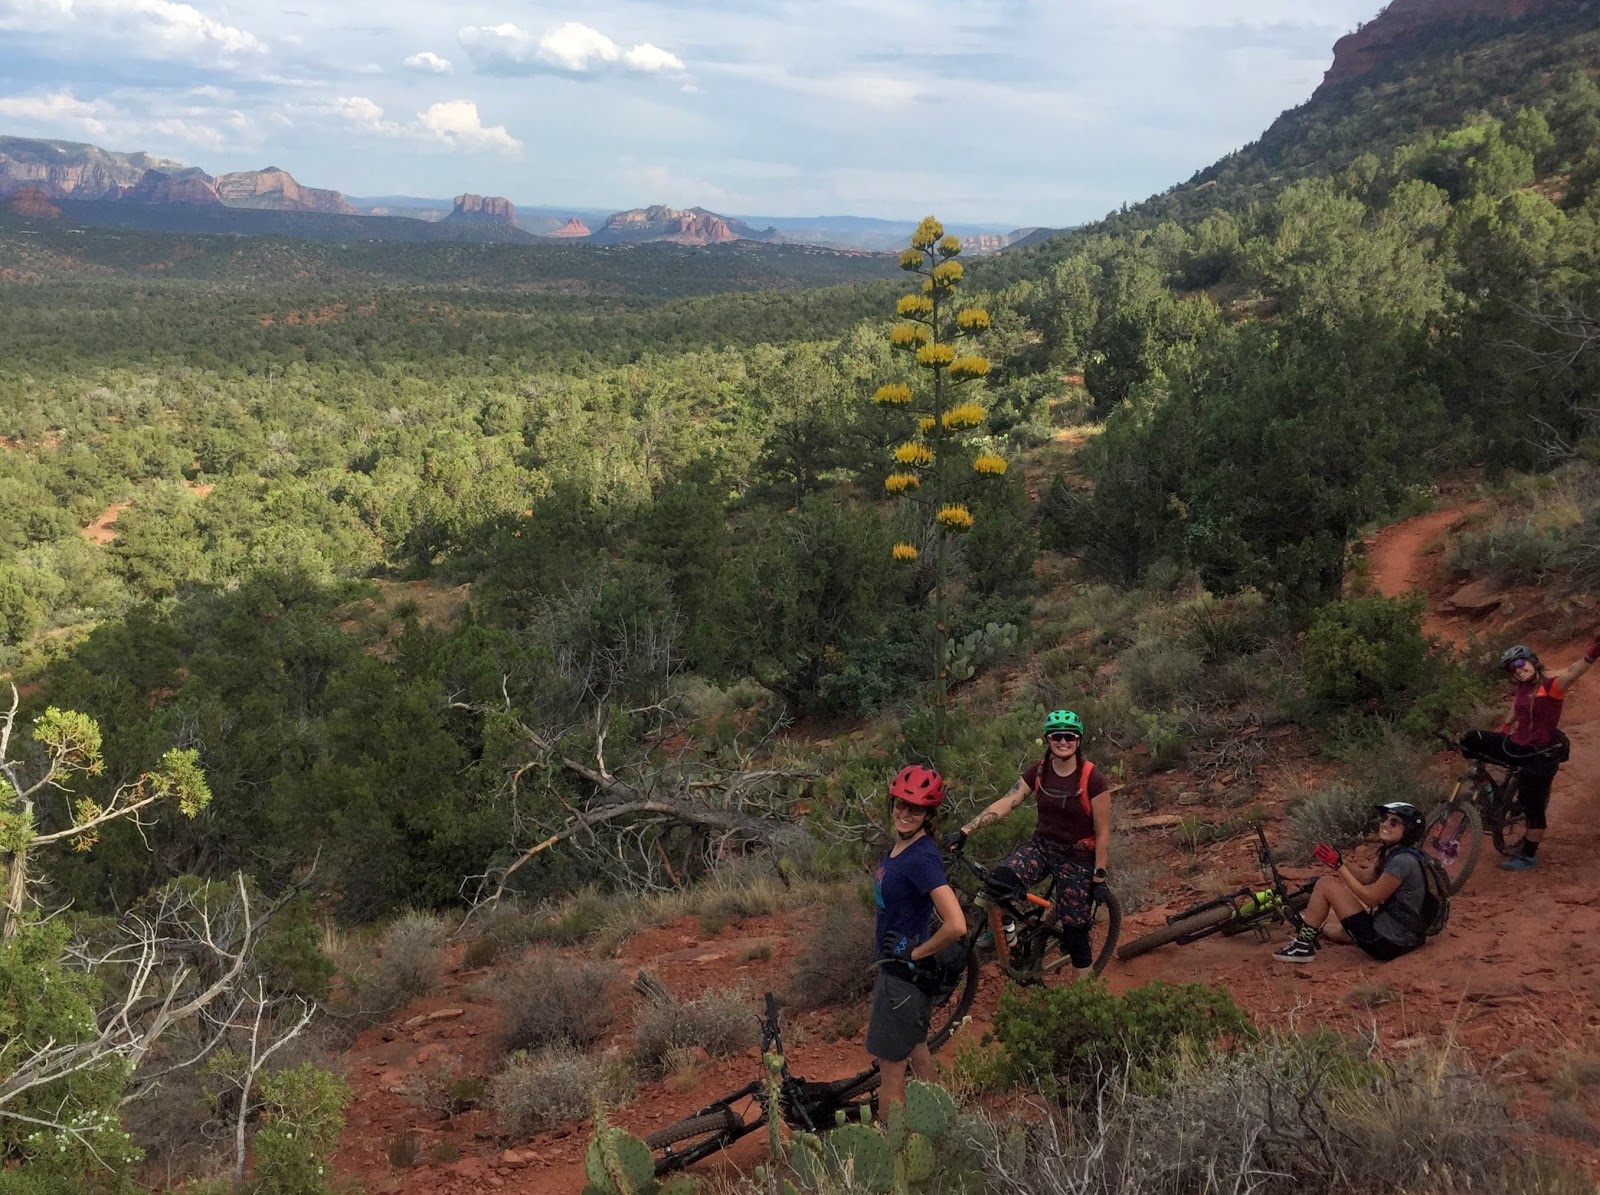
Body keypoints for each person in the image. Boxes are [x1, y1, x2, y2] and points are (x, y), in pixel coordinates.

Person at [941, 709, 1110, 976]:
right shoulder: (1041, 770)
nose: (1063, 741)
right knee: (998, 883)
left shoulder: (1093, 779)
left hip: (1077, 858)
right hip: (1042, 848)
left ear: (1078, 741)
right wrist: (965, 830)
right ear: (1048, 739)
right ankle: (1013, 937)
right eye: (1057, 736)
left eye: (1069, 736)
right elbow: (1010, 800)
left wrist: (1099, 875)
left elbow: (1102, 832)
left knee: (1076, 935)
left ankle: (1086, 997)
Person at [869, 764, 966, 1108]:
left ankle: (890, 1155)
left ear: (929, 814)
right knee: (918, 1051)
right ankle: (947, 1123)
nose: (905, 813)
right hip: (902, 978)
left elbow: (956, 924)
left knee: (891, 1073)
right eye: (900, 804)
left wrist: (916, 953)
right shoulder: (904, 849)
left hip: (901, 981)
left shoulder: (921, 858)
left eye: (916, 808)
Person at [1460, 637, 1598, 870]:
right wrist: (1505, 727)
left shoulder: (1551, 687)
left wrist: (1590, 656)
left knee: (1531, 805)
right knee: (1471, 739)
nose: (1518, 669)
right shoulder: (1523, 687)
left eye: (1521, 662)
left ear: (1533, 662)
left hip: (1540, 753)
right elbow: (1517, 705)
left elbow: (1573, 672)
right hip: (1516, 744)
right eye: (1512, 667)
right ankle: (1490, 795)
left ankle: (1528, 855)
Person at [1273, 802, 1430, 963]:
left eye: (1394, 822)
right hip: (1404, 937)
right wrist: (1339, 860)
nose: (1385, 824)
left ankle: (1302, 945)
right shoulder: (1399, 854)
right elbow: (1366, 877)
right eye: (1384, 818)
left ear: (1409, 829)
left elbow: (1371, 898)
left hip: (1388, 943)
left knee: (1325, 884)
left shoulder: (1402, 861)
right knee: (1338, 927)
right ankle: (1312, 923)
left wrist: (1339, 867)